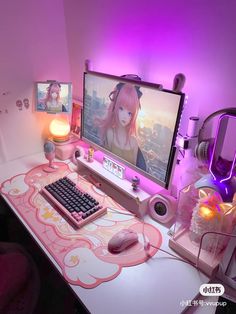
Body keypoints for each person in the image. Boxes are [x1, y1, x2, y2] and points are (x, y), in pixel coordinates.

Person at [96, 82, 146, 170]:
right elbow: (104, 162)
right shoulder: (110, 133)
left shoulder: (134, 142)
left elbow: (134, 172)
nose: (125, 116)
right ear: (115, 106)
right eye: (121, 108)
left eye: (129, 113)